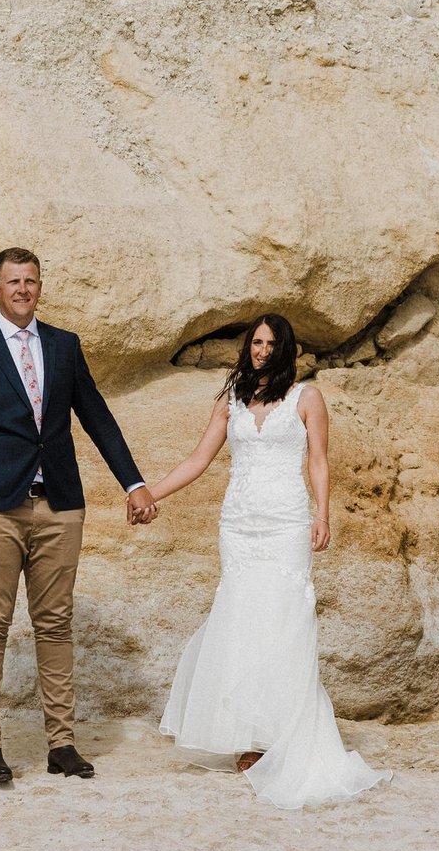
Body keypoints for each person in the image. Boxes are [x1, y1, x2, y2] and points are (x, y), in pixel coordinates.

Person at [144, 313, 389, 809]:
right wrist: (151, 493)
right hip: (239, 524)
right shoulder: (230, 398)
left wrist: (322, 514)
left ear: (287, 349)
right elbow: (198, 459)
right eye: (255, 342)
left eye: (270, 344)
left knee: (285, 622)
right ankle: (249, 738)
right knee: (241, 621)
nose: (261, 350)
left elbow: (318, 460)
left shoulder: (307, 398)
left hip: (286, 524)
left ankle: (284, 736)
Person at [0, 247, 158, 788]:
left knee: (55, 624)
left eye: (30, 281)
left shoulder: (64, 346)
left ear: (40, 287)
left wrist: (132, 482)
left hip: (60, 504)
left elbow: (96, 416)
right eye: (12, 282)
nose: (22, 289)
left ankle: (61, 744)